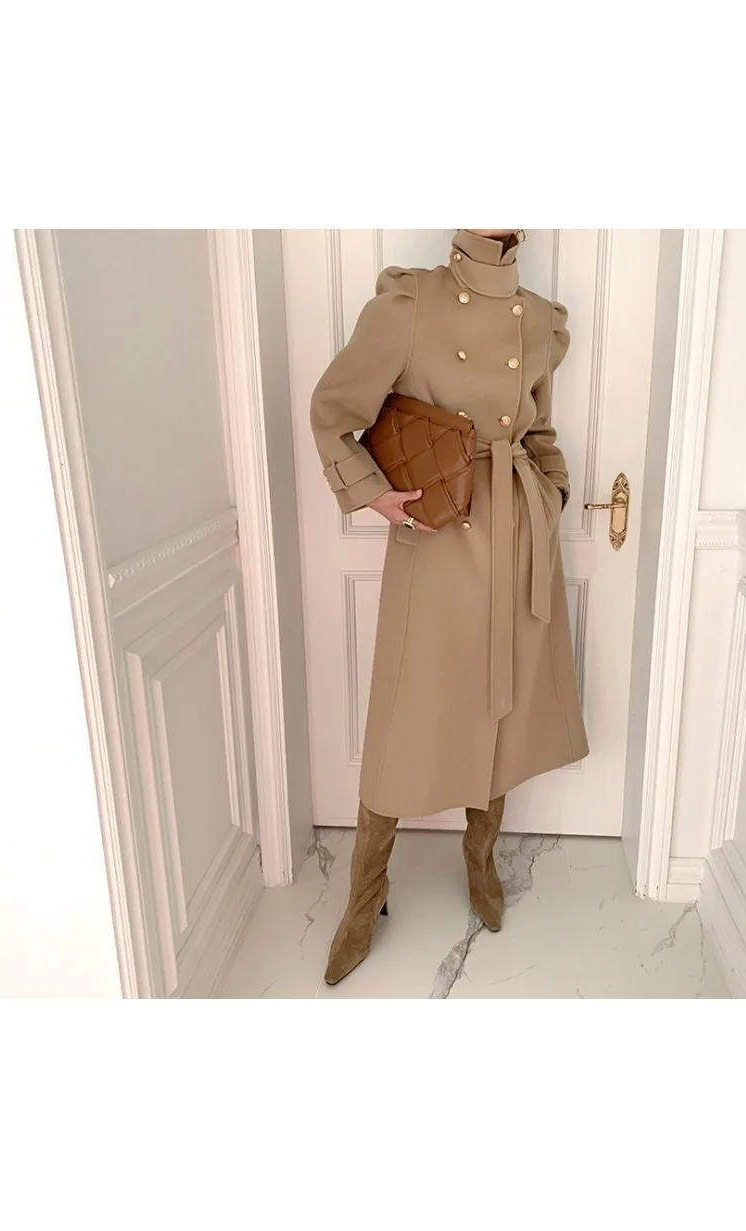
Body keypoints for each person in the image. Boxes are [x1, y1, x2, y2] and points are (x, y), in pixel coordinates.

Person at [310, 229, 589, 985]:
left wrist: (552, 495)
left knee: (501, 699)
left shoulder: (540, 318)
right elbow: (334, 411)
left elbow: (538, 430)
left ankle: (479, 856)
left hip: (517, 534)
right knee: (407, 711)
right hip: (436, 533)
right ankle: (365, 894)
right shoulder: (411, 302)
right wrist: (373, 493)